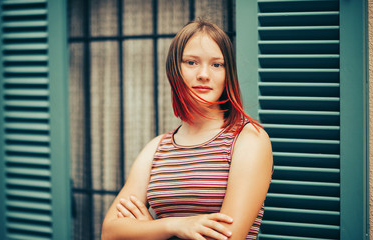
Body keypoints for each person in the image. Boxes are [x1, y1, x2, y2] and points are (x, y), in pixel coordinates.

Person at [101, 19, 273, 240]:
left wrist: (148, 231)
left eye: (216, 64)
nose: (204, 74)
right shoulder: (156, 148)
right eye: (191, 62)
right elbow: (110, 232)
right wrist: (174, 225)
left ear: (227, 73)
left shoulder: (249, 140)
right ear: (174, 70)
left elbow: (228, 237)